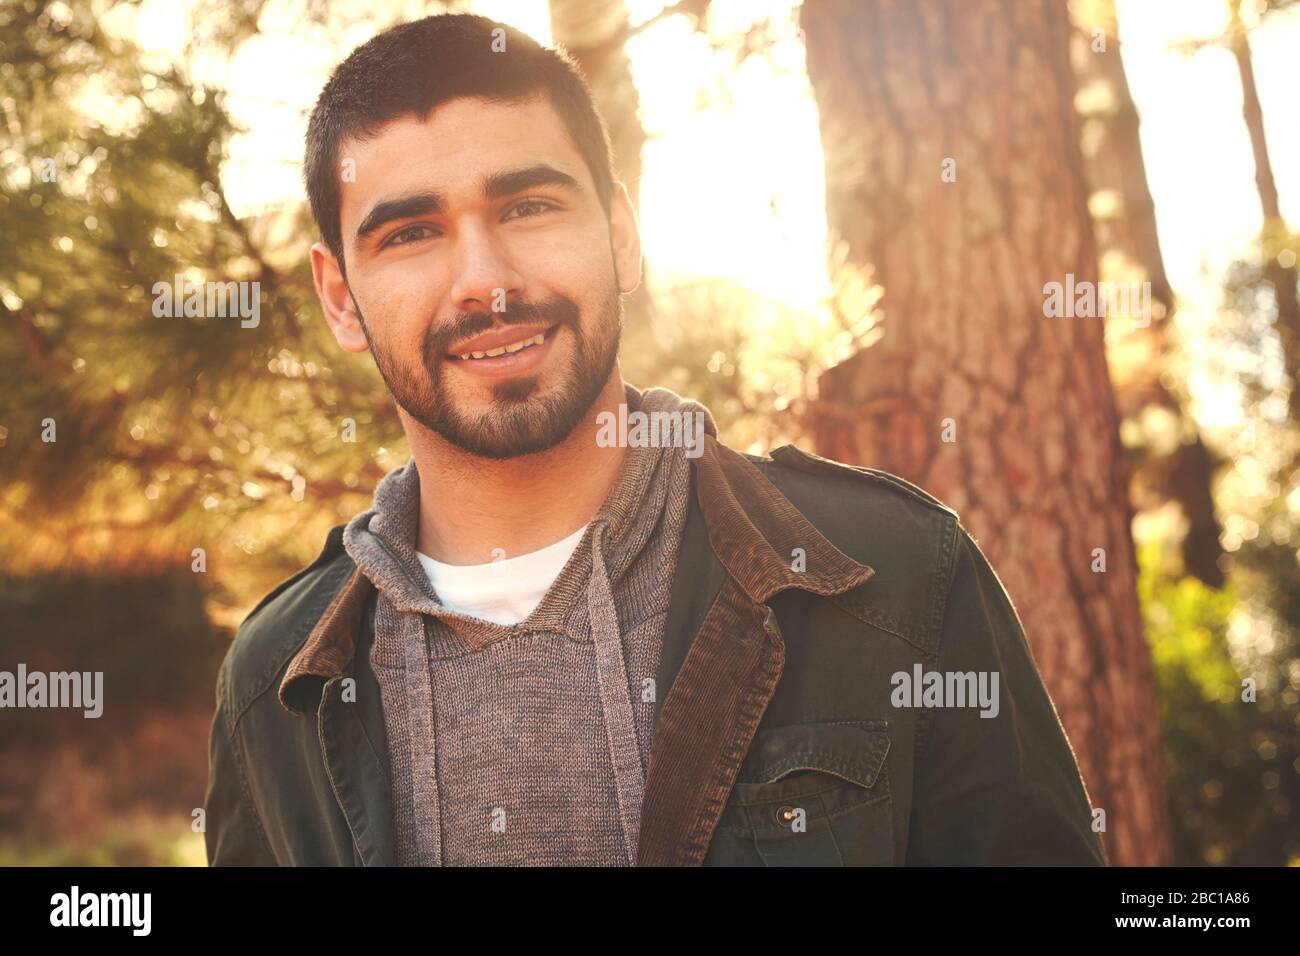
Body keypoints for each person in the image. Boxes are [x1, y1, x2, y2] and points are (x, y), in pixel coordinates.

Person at [203, 12, 1106, 867]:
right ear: (339, 297)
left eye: (528, 208)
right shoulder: (272, 685)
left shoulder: (898, 576)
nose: (486, 281)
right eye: (410, 233)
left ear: (623, 236)